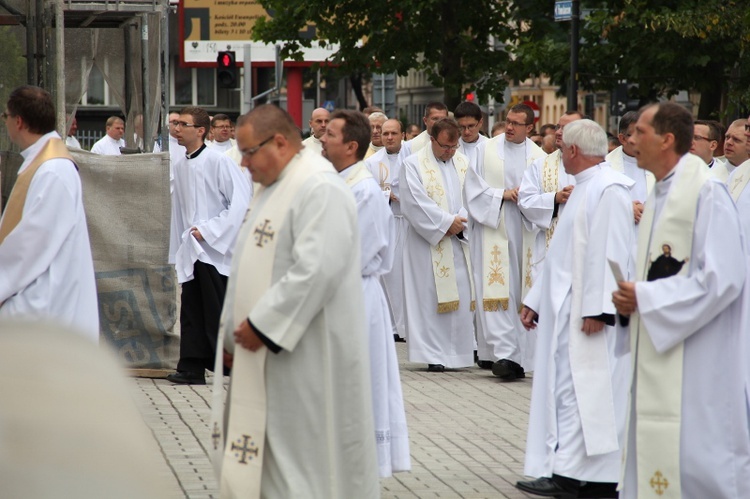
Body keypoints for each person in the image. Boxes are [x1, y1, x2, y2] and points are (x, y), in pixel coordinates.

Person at [210, 104, 379, 498]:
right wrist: (232, 338)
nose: (244, 164)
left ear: (281, 142)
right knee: (272, 460)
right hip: (267, 354)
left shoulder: (319, 187)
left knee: (304, 464)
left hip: (306, 357)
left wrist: (261, 326)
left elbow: (317, 269)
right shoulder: (273, 187)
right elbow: (248, 264)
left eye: (249, 152)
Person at [612, 102, 750, 499]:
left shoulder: (707, 194)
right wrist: (633, 299)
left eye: (639, 132)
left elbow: (724, 279)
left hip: (700, 360)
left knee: (698, 460)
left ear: (667, 139)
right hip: (665, 346)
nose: (630, 139)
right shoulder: (660, 193)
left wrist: (647, 296)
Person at [515, 119, 633, 499]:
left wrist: (599, 311)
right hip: (568, 310)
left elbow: (613, 252)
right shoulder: (583, 188)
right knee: (568, 391)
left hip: (591, 316)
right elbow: (562, 253)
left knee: (591, 392)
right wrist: (535, 300)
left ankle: (593, 479)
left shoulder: (608, 189)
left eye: (563, 146)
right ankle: (567, 471)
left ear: (574, 151)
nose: (560, 152)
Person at [321, 109, 410, 478]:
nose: (322, 138)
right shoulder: (334, 180)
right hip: (335, 292)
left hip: (355, 294)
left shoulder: (364, 189)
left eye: (330, 134)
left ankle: (363, 460)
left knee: (363, 380)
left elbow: (362, 253)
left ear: (351, 146)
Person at [0, 85, 98, 341]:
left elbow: (29, 245)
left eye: (5, 116)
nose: (5, 122)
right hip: (43, 292)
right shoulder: (44, 163)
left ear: (18, 121)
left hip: (46, 299)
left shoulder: (53, 170)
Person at [167, 106, 251, 385]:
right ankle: (191, 366)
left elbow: (239, 203)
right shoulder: (180, 166)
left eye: (183, 124)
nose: (176, 128)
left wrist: (208, 230)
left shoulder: (219, 161)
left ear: (200, 130)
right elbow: (179, 210)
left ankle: (235, 366)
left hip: (216, 249)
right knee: (191, 308)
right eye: (175, 123)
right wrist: (180, 246)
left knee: (215, 310)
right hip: (192, 248)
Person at [465, 103, 545, 378]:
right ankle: (503, 354)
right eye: (507, 121)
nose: (509, 127)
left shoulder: (538, 156)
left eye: (516, 123)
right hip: (494, 224)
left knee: (520, 289)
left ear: (530, 128)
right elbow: (472, 188)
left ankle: (523, 354)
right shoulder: (484, 150)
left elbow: (546, 193)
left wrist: (529, 199)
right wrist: (502, 195)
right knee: (497, 288)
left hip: (525, 226)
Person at [400, 117, 474, 372]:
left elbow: (474, 196)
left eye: (454, 147)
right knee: (429, 295)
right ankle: (432, 354)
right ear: (432, 139)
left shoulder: (463, 162)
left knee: (461, 294)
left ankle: (458, 353)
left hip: (459, 240)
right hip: (426, 243)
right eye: (444, 146)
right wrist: (445, 223)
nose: (449, 152)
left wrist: (460, 222)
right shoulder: (413, 164)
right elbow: (414, 202)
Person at [517, 111, 582, 370]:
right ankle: (537, 361)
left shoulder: (596, 168)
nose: (557, 132)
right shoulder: (540, 165)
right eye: (557, 126)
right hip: (547, 246)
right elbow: (525, 201)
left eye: (565, 128)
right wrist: (554, 198)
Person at [364, 118, 408, 341]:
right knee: (390, 276)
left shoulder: (413, 158)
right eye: (385, 133)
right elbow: (370, 193)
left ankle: (409, 326)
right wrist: (387, 195)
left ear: (403, 134)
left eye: (393, 133)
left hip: (410, 224)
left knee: (409, 276)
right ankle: (393, 326)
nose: (389, 137)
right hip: (388, 222)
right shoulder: (372, 163)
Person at [606, 111, 655, 219]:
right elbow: (598, 200)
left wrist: (648, 208)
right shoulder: (606, 165)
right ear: (623, 139)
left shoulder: (658, 162)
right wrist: (625, 207)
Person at [455, 100, 488, 170]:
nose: (466, 132)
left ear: (480, 122)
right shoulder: (452, 148)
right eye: (462, 127)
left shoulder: (490, 146)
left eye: (471, 126)